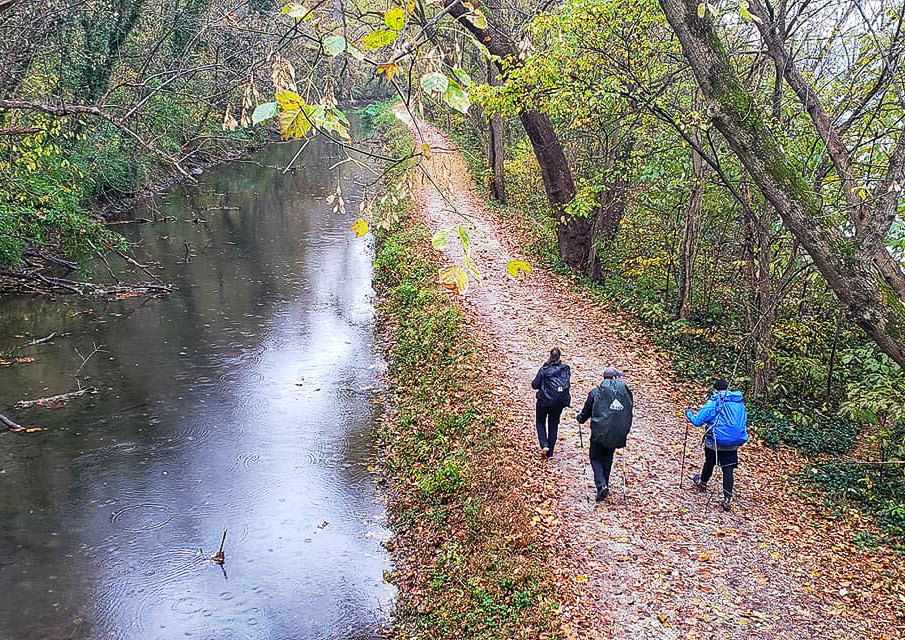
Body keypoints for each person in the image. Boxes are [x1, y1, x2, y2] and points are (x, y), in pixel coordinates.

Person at [685, 378, 749, 512]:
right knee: (728, 468)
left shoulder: (715, 401)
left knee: (709, 462)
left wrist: (688, 414)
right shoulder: (738, 403)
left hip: (714, 441)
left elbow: (698, 421)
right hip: (733, 442)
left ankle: (702, 482)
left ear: (715, 390)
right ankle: (727, 498)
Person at [576, 367, 633, 501]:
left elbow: (587, 411)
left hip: (599, 433)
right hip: (616, 433)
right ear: (615, 378)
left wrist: (581, 418)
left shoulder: (596, 392)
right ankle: (604, 485)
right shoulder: (624, 394)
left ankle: (601, 485)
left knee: (595, 457)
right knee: (608, 458)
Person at [531, 347, 571, 458]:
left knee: (540, 421)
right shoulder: (566, 369)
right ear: (560, 356)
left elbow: (534, 385)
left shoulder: (544, 369)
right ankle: (550, 452)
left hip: (544, 401)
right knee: (553, 424)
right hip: (559, 402)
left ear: (550, 355)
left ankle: (544, 444)